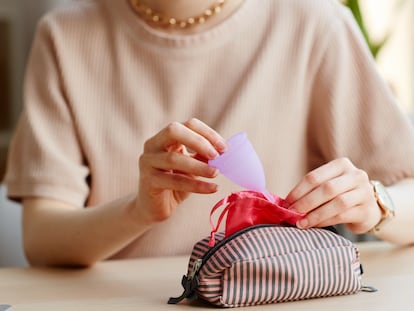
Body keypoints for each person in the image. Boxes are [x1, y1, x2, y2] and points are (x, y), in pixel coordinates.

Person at [4, 0, 414, 267]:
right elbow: (42, 238)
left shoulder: (315, 24)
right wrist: (140, 211)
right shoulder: (64, 33)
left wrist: (376, 203)